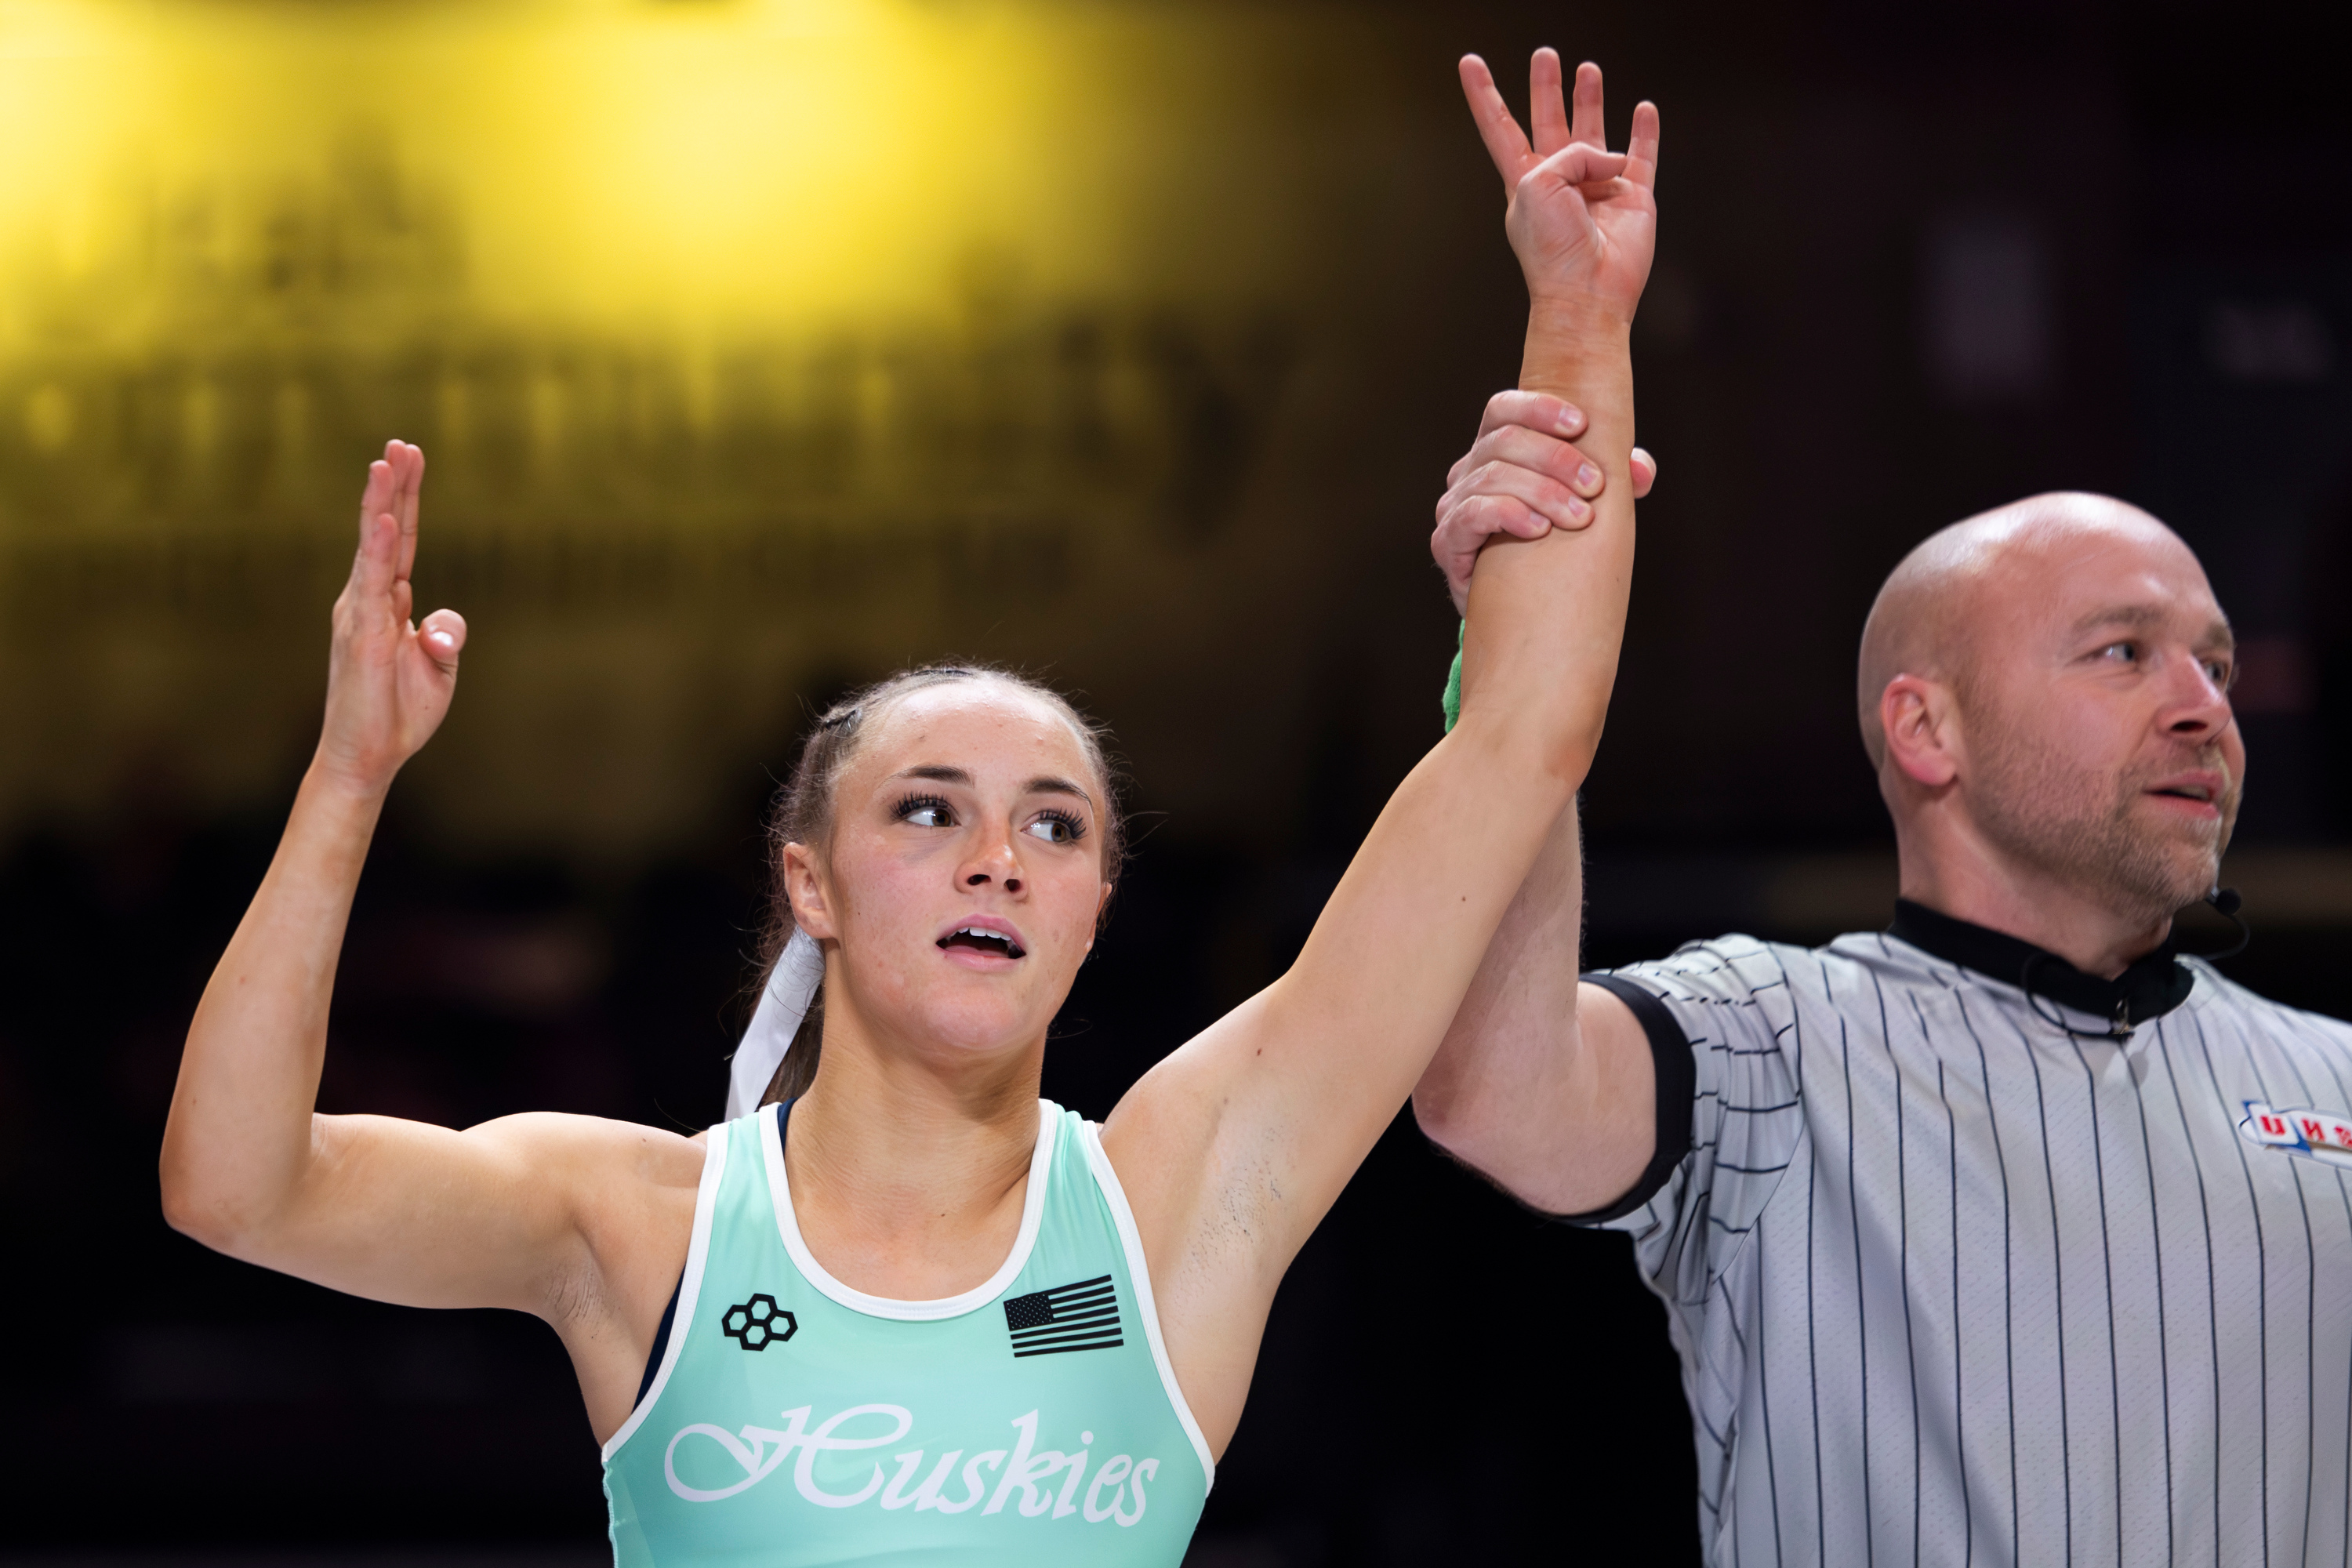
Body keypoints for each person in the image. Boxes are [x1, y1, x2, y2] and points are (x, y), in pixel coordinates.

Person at [159, 50, 1660, 1566]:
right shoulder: (637, 1222)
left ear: (1096, 913)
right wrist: (349, 780)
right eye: (930, 813)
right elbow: (235, 1185)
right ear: (807, 883)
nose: (1000, 861)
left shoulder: (1173, 1207)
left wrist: (1577, 318)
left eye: (1058, 827)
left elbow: (1525, 738)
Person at [1415, 408, 2352, 1562]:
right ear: (1926, 728)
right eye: (2124, 652)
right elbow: (1496, 1089)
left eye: (2215, 664)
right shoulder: (1771, 1043)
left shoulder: (2338, 1082)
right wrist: (1520, 643)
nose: (2206, 707)